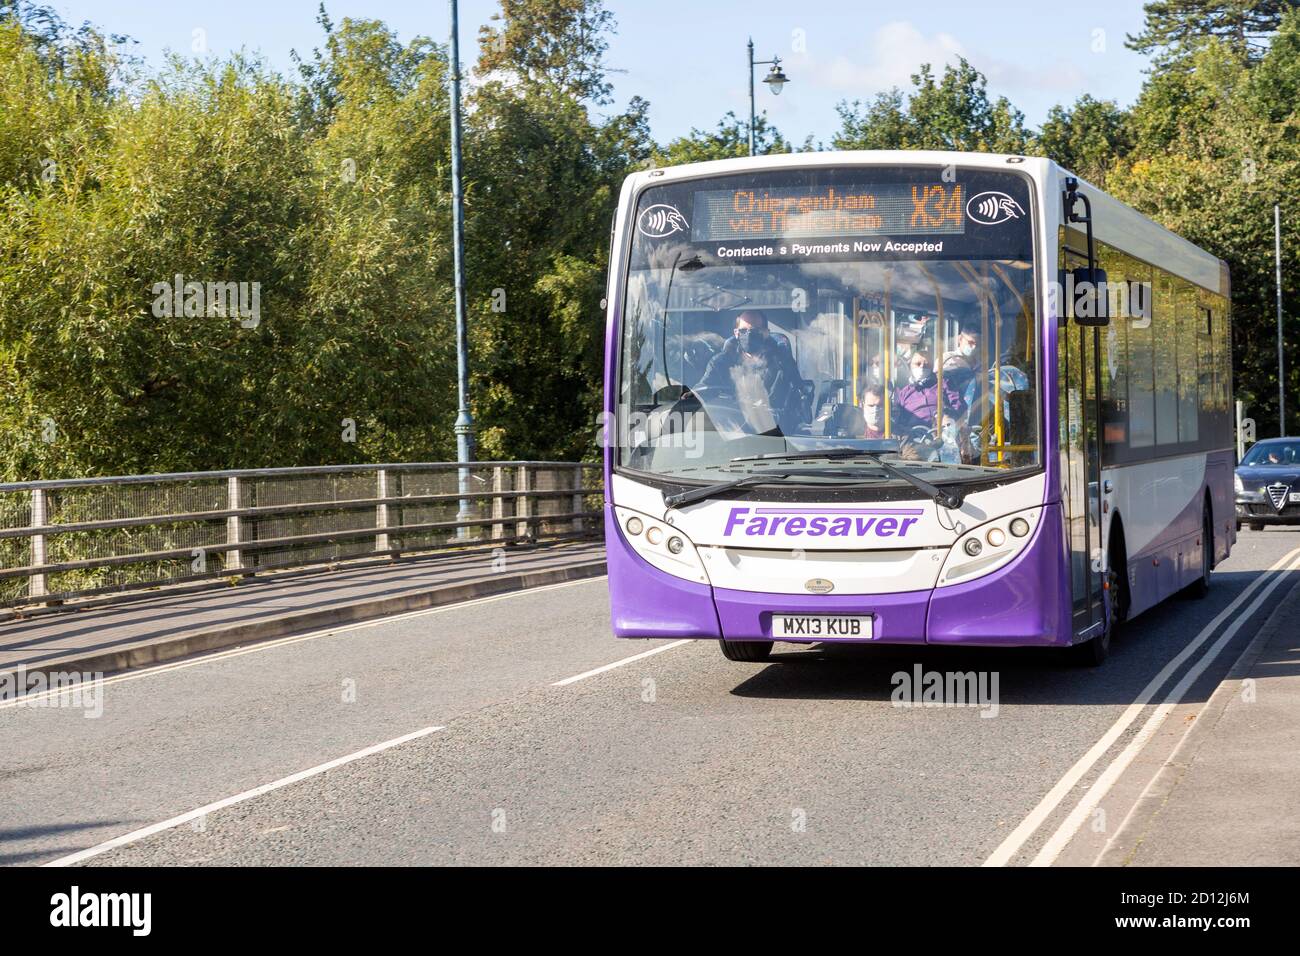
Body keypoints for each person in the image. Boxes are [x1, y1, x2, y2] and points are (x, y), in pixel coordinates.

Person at [695, 309, 806, 431]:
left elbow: (798, 398)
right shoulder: (720, 363)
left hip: (778, 434)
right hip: (735, 436)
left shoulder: (783, 363)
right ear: (736, 333)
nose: (748, 335)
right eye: (743, 331)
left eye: (754, 331)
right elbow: (702, 393)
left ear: (766, 333)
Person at [894, 350, 965, 432]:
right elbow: (899, 420)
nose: (922, 367)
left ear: (932, 367)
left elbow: (958, 406)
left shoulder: (944, 383)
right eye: (918, 364)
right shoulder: (903, 393)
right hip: (916, 436)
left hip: (943, 431)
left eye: (927, 365)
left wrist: (948, 414)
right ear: (910, 365)